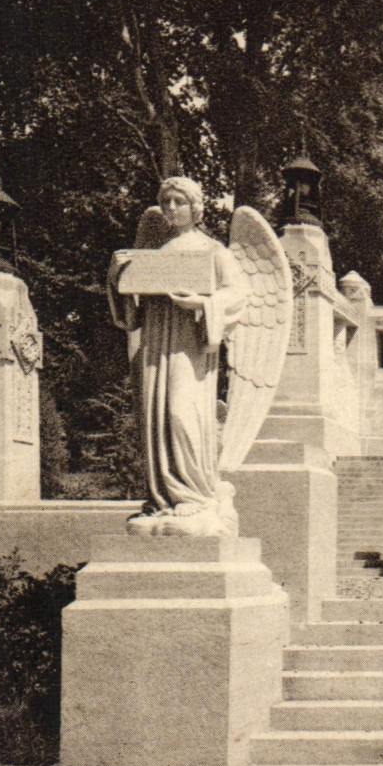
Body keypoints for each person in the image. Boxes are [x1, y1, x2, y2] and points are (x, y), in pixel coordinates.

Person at [107, 176, 248, 535]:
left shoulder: (214, 251)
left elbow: (238, 296)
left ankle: (195, 495)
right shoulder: (152, 255)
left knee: (180, 413)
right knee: (156, 418)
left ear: (195, 207)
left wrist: (202, 303)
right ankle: (163, 499)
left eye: (179, 202)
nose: (171, 208)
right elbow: (131, 315)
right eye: (166, 201)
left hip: (189, 344)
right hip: (156, 344)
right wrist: (116, 278)